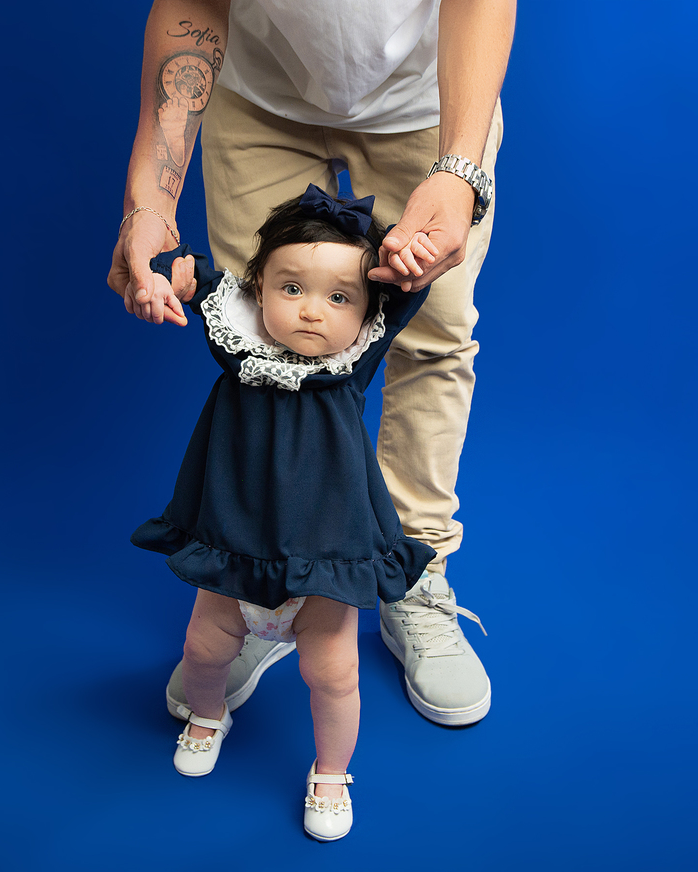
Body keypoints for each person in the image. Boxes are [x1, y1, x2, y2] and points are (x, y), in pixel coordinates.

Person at [108, 0, 515, 727]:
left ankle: (413, 574)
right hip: (260, 97)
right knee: (260, 339)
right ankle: (262, 585)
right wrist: (150, 199)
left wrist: (459, 170)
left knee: (434, 335)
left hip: (428, 101)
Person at [133, 186, 440, 840]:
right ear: (259, 290)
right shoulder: (237, 347)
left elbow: (407, 292)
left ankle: (331, 772)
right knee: (202, 651)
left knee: (333, 674)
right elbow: (193, 279)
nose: (309, 310)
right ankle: (208, 717)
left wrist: (409, 260)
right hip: (235, 549)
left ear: (367, 314)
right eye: (291, 288)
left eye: (339, 298)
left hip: (325, 561)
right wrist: (171, 277)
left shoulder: (350, 365)